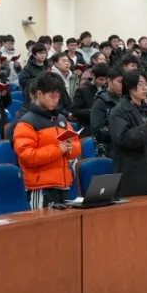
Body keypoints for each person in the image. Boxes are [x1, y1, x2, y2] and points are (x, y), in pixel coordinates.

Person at [12, 72, 82, 207]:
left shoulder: (61, 119)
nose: (56, 100)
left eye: (58, 96)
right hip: (41, 187)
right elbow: (27, 157)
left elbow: (75, 146)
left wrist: (70, 148)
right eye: (52, 96)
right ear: (39, 94)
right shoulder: (26, 122)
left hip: (63, 184)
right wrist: (58, 149)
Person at [89, 67, 123, 159]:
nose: (122, 85)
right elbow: (97, 129)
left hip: (122, 145)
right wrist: (121, 131)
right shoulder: (100, 101)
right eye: (119, 82)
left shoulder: (123, 100)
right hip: (106, 149)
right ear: (109, 81)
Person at [73, 63, 108, 129]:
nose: (103, 82)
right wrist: (95, 111)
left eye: (105, 79)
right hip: (87, 126)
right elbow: (75, 111)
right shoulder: (82, 90)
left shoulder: (106, 89)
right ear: (93, 75)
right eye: (101, 79)